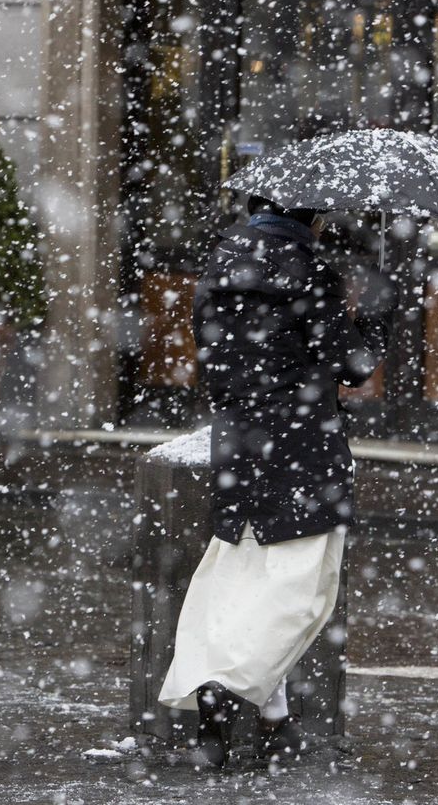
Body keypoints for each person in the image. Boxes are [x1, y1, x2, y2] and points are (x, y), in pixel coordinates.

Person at [157, 193, 394, 768]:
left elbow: (214, 359)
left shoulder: (218, 266)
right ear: (312, 217)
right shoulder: (312, 271)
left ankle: (248, 719)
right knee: (299, 592)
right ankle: (234, 690)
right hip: (303, 445)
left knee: (234, 579)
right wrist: (379, 319)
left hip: (238, 441)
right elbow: (355, 366)